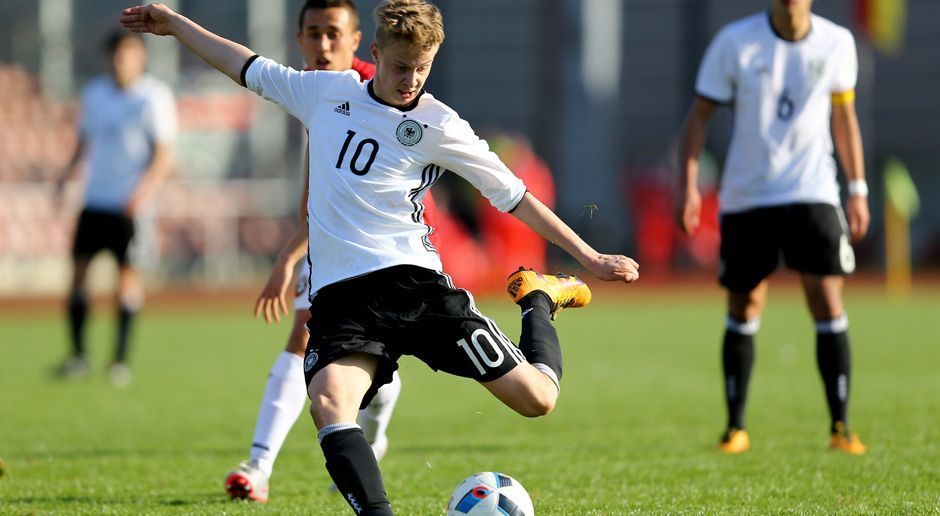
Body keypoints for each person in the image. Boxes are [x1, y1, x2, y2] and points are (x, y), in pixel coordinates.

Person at [121, 1, 639, 513]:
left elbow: (514, 196)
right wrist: (175, 24)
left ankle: (539, 299)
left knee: (537, 401)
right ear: (374, 53)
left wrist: (589, 257)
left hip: (417, 290)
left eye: (422, 68)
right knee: (328, 404)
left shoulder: (441, 125)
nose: (411, 79)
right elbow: (242, 64)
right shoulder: (325, 92)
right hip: (343, 300)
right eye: (399, 66)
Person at [224, 0, 401, 503]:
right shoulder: (313, 91)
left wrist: (286, 255)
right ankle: (257, 467)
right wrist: (293, 254)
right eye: (313, 34)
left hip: (391, 249)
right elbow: (317, 192)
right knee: (301, 336)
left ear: (356, 40)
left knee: (381, 365)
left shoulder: (380, 91)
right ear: (299, 38)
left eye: (332, 34)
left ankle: (372, 434)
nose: (322, 46)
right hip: (330, 246)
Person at [676, 0, 869, 455]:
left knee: (827, 299)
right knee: (744, 305)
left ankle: (840, 427)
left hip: (813, 193)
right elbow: (698, 116)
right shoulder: (735, 42)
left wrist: (857, 186)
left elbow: (844, 118)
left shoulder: (837, 42)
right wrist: (688, 186)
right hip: (749, 198)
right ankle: (735, 428)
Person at [54, 30, 176, 387]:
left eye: (129, 55)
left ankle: (120, 361)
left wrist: (142, 193)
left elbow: (163, 155)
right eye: (117, 55)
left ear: (141, 58)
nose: (122, 62)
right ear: (109, 58)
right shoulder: (95, 94)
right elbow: (84, 141)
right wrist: (66, 175)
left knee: (126, 280)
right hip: (94, 201)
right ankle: (78, 356)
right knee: (78, 276)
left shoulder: (153, 97)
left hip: (129, 206)